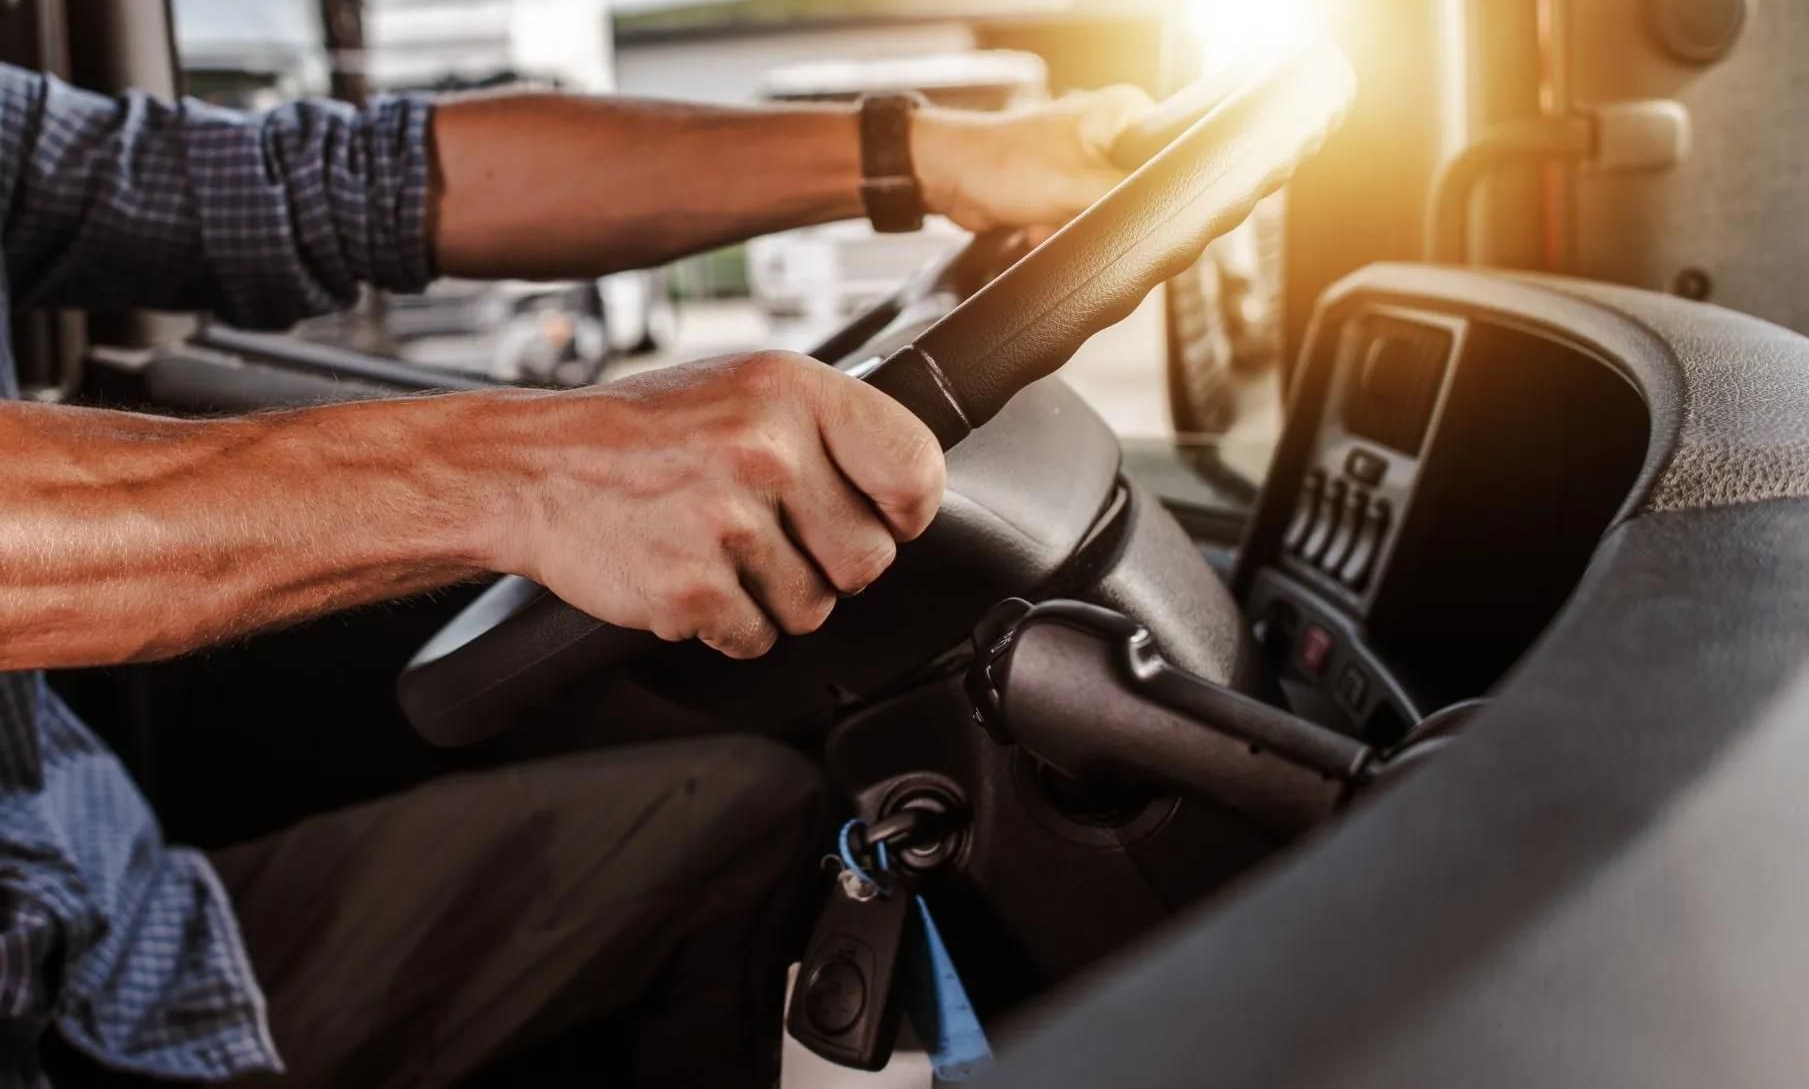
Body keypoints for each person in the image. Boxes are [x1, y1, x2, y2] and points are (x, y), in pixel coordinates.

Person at [0, 65, 1147, 1087]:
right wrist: (530, 469)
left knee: (743, 831)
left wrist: (936, 157)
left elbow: (326, 181)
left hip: (119, 920)